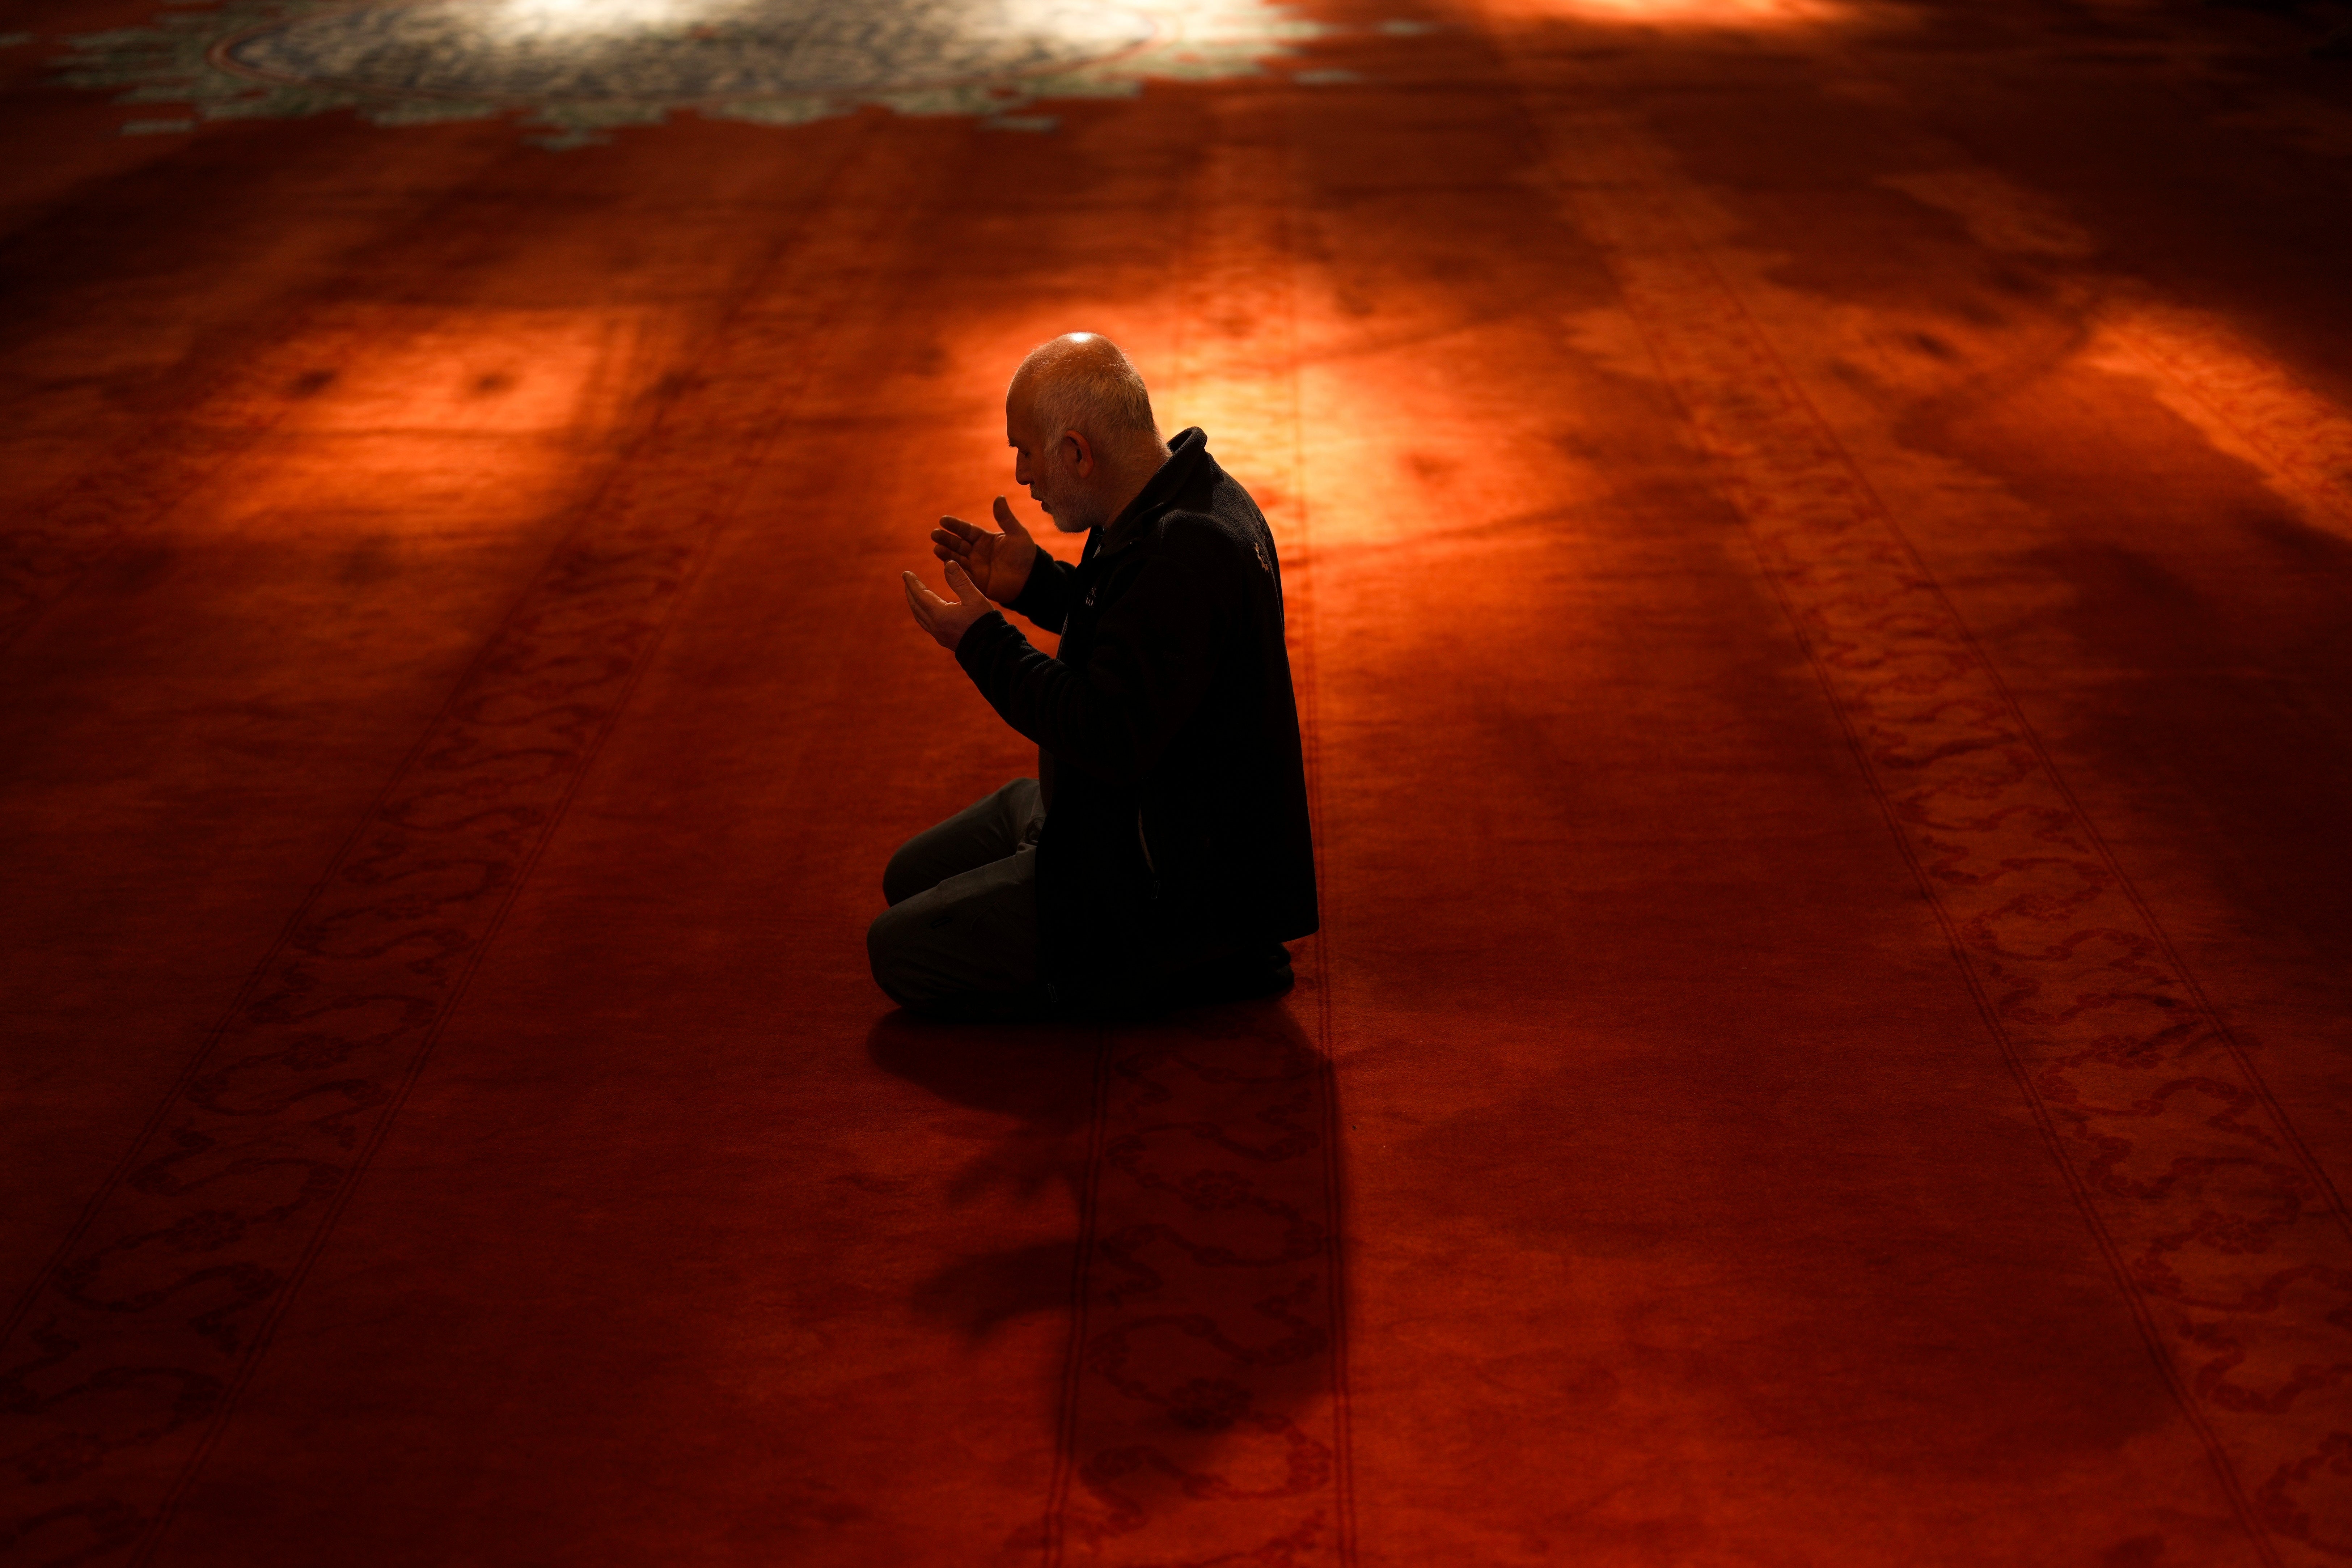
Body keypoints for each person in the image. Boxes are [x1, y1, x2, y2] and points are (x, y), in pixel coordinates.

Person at [870, 332, 1317, 1018]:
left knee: (895, 951)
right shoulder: (1183, 494)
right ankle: (1051, 864)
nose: (1022, 476)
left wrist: (984, 643)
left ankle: (1161, 967)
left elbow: (1106, 734)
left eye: (1027, 451)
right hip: (1132, 808)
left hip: (1162, 883)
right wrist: (1040, 585)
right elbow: (1143, 636)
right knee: (908, 877)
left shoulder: (1183, 557)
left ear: (1078, 452)